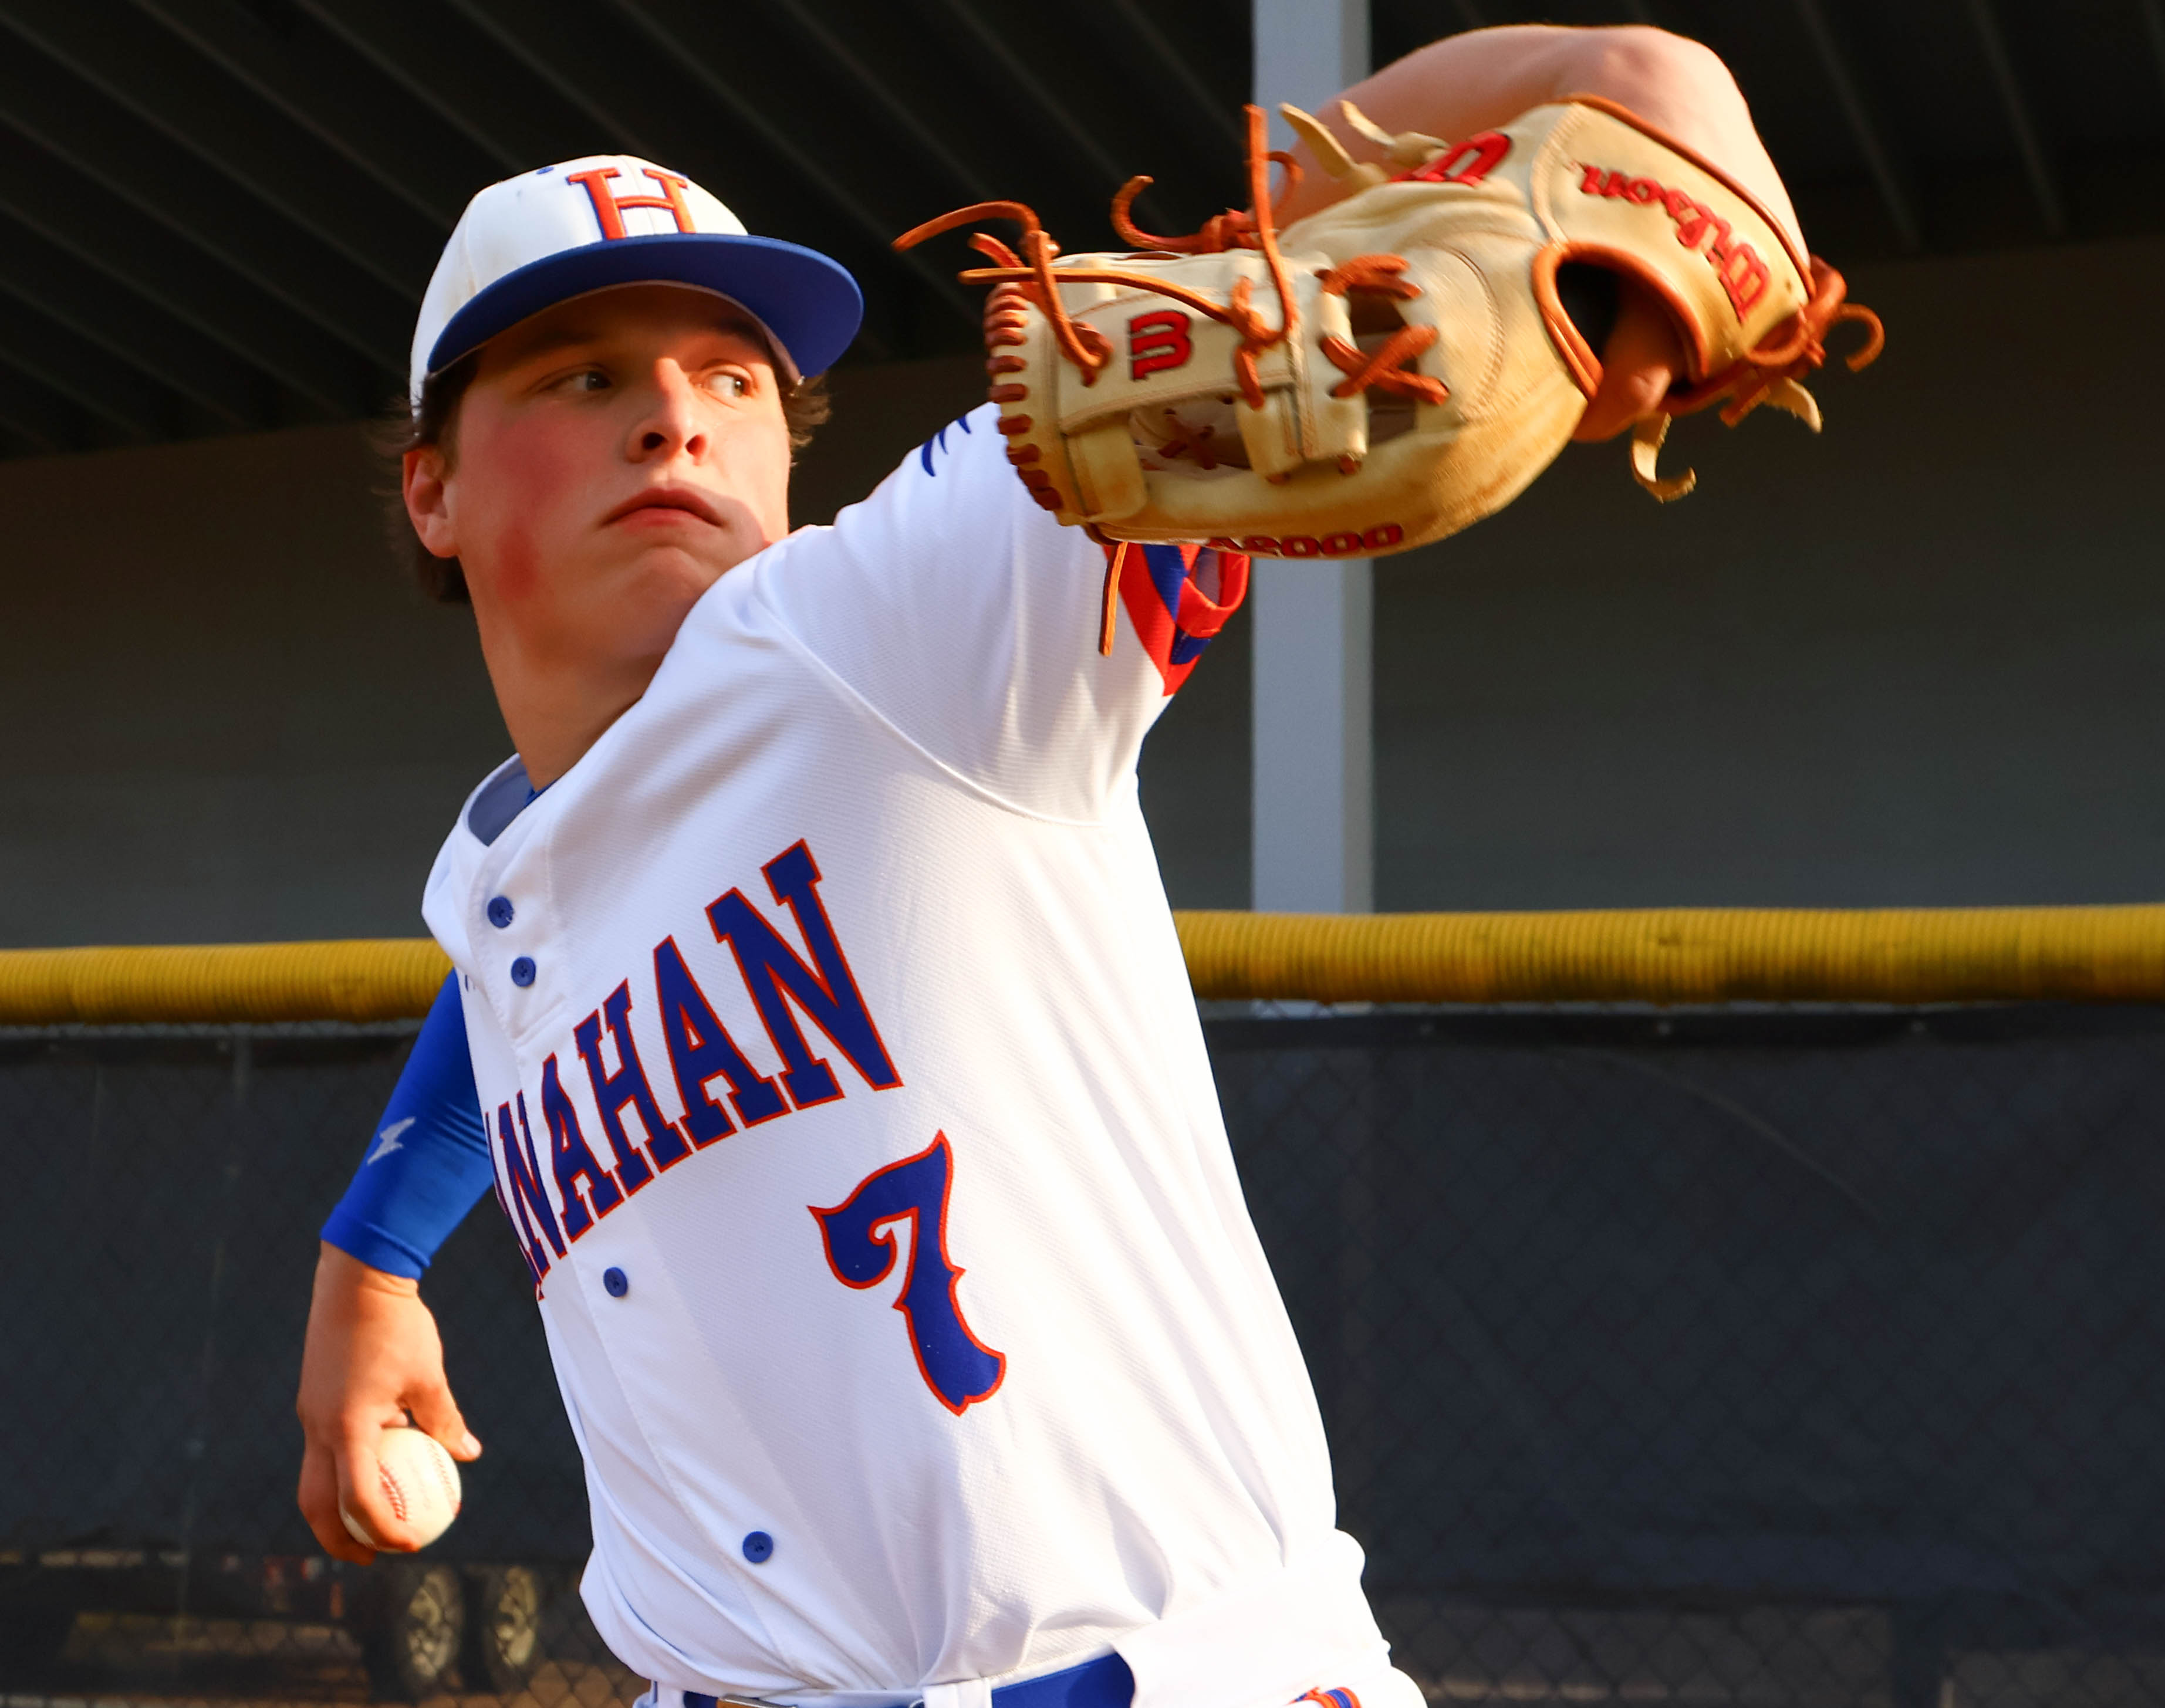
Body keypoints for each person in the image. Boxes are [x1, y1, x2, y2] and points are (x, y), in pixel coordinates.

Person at [298, 25, 1811, 1708]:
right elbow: (518, 988)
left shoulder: (889, 628)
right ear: (429, 489)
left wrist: (1634, 78)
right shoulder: (518, 871)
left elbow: (1305, 236)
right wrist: (371, 1262)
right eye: (584, 375)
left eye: (732, 378)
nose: (674, 417)